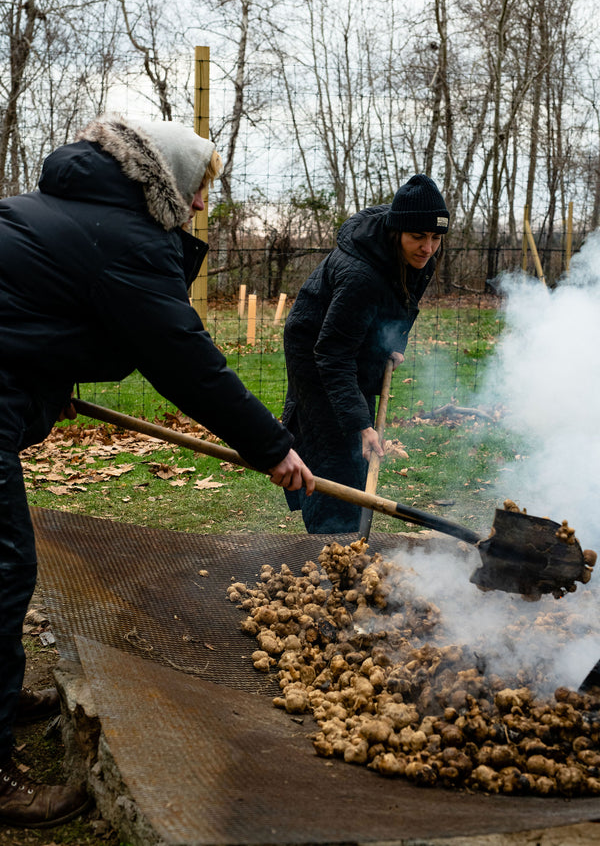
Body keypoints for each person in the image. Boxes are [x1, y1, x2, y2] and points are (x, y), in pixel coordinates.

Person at [0, 114, 314, 828]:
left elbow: (30, 312)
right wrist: (272, 446)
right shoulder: (126, 237)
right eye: (199, 190)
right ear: (164, 182)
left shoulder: (64, 211)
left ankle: (4, 689)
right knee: (6, 564)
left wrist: (48, 378)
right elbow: (185, 360)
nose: (203, 205)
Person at [282, 173, 449, 534]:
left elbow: (406, 305)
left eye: (436, 237)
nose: (427, 247)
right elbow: (330, 352)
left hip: (353, 339)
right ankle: (331, 540)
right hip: (314, 346)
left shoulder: (424, 259)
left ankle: (351, 526)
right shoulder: (361, 276)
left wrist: (394, 345)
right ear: (397, 232)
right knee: (334, 444)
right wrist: (361, 423)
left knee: (357, 442)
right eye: (418, 236)